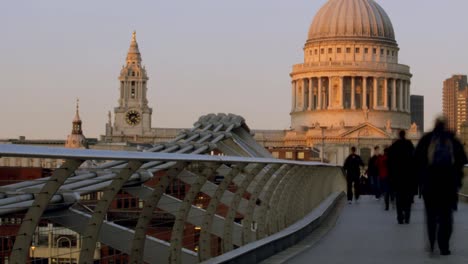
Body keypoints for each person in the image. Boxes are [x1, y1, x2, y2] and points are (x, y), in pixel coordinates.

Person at [414, 116, 467, 255]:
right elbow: (462, 160)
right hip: (448, 184)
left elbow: (417, 160)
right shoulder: (452, 140)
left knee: (431, 215)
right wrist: (458, 178)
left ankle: (432, 242)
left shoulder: (426, 139)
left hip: (430, 183)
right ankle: (444, 245)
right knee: (446, 216)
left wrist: (422, 178)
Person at [388, 130, 416, 224]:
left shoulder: (395, 145)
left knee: (399, 198)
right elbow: (414, 159)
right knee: (408, 198)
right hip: (408, 176)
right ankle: (407, 216)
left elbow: (390, 161)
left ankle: (400, 217)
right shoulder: (409, 144)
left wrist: (391, 175)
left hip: (397, 176)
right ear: (405, 135)